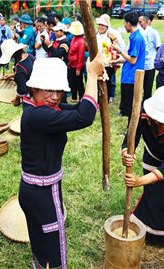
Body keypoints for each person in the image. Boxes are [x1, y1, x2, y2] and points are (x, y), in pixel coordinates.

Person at [18, 55, 103, 268]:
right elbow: (85, 117)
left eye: (59, 91)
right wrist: (91, 74)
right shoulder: (38, 116)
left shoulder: (37, 107)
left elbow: (80, 109)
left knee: (39, 237)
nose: (55, 96)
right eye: (48, 90)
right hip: (44, 191)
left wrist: (96, 82)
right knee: (54, 245)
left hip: (32, 190)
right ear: (34, 87)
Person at [122, 85, 164, 255]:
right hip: (152, 156)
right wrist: (125, 153)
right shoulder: (143, 116)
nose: (159, 122)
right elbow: (130, 138)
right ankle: (146, 228)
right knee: (151, 192)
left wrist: (138, 181)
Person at [111, 12, 145, 118]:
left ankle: (132, 132)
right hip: (128, 76)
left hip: (132, 78)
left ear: (128, 24)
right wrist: (116, 61)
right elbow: (129, 58)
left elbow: (133, 60)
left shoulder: (137, 39)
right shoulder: (134, 36)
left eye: (124, 23)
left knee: (131, 108)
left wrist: (119, 50)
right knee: (127, 106)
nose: (124, 25)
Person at [96, 14, 124, 104]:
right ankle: (97, 101)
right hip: (97, 63)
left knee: (107, 83)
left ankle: (106, 101)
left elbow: (121, 46)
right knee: (97, 82)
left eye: (103, 25)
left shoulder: (111, 35)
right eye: (99, 24)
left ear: (107, 26)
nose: (100, 27)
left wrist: (114, 55)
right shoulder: (95, 34)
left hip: (108, 64)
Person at [0, 39, 34, 106]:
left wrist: (17, 99)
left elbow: (22, 90)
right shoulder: (30, 57)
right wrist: (12, 75)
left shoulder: (19, 67)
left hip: (32, 99)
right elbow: (28, 72)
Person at [138, 12, 161, 101]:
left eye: (141, 22)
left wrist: (157, 61)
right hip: (140, 64)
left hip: (150, 64)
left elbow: (158, 47)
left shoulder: (154, 33)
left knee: (148, 88)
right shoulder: (138, 32)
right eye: (138, 22)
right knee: (139, 87)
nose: (139, 24)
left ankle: (146, 105)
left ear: (147, 21)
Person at [68, 21, 85, 102]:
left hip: (77, 65)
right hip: (72, 63)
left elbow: (81, 56)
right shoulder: (74, 38)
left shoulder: (81, 41)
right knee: (73, 81)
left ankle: (82, 97)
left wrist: (78, 68)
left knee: (79, 83)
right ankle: (74, 97)